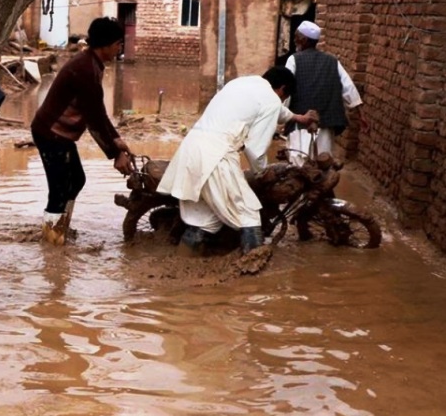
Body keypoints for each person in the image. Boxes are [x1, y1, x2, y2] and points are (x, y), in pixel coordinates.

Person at [156, 67, 318, 254]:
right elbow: (255, 149)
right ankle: (252, 273)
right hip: (217, 156)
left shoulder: (241, 83)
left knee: (205, 220)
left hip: (190, 150)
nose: (281, 101)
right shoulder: (271, 100)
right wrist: (263, 173)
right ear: (282, 89)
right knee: (249, 214)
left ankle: (180, 265)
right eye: (283, 97)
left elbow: (275, 109)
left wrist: (299, 118)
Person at [30, 17, 135, 245]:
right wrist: (115, 155)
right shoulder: (86, 70)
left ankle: (61, 230)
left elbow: (98, 112)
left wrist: (117, 141)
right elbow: (94, 119)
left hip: (61, 135)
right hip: (51, 133)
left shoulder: (93, 64)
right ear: (106, 44)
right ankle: (52, 244)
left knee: (76, 180)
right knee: (58, 190)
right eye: (118, 43)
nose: (120, 48)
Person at [284, 20, 366, 165]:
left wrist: (283, 114)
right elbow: (348, 88)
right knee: (323, 162)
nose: (294, 39)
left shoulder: (293, 60)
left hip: (301, 121)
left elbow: (286, 89)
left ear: (304, 39)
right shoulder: (332, 61)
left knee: (298, 163)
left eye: (297, 36)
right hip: (326, 122)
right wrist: (360, 114)